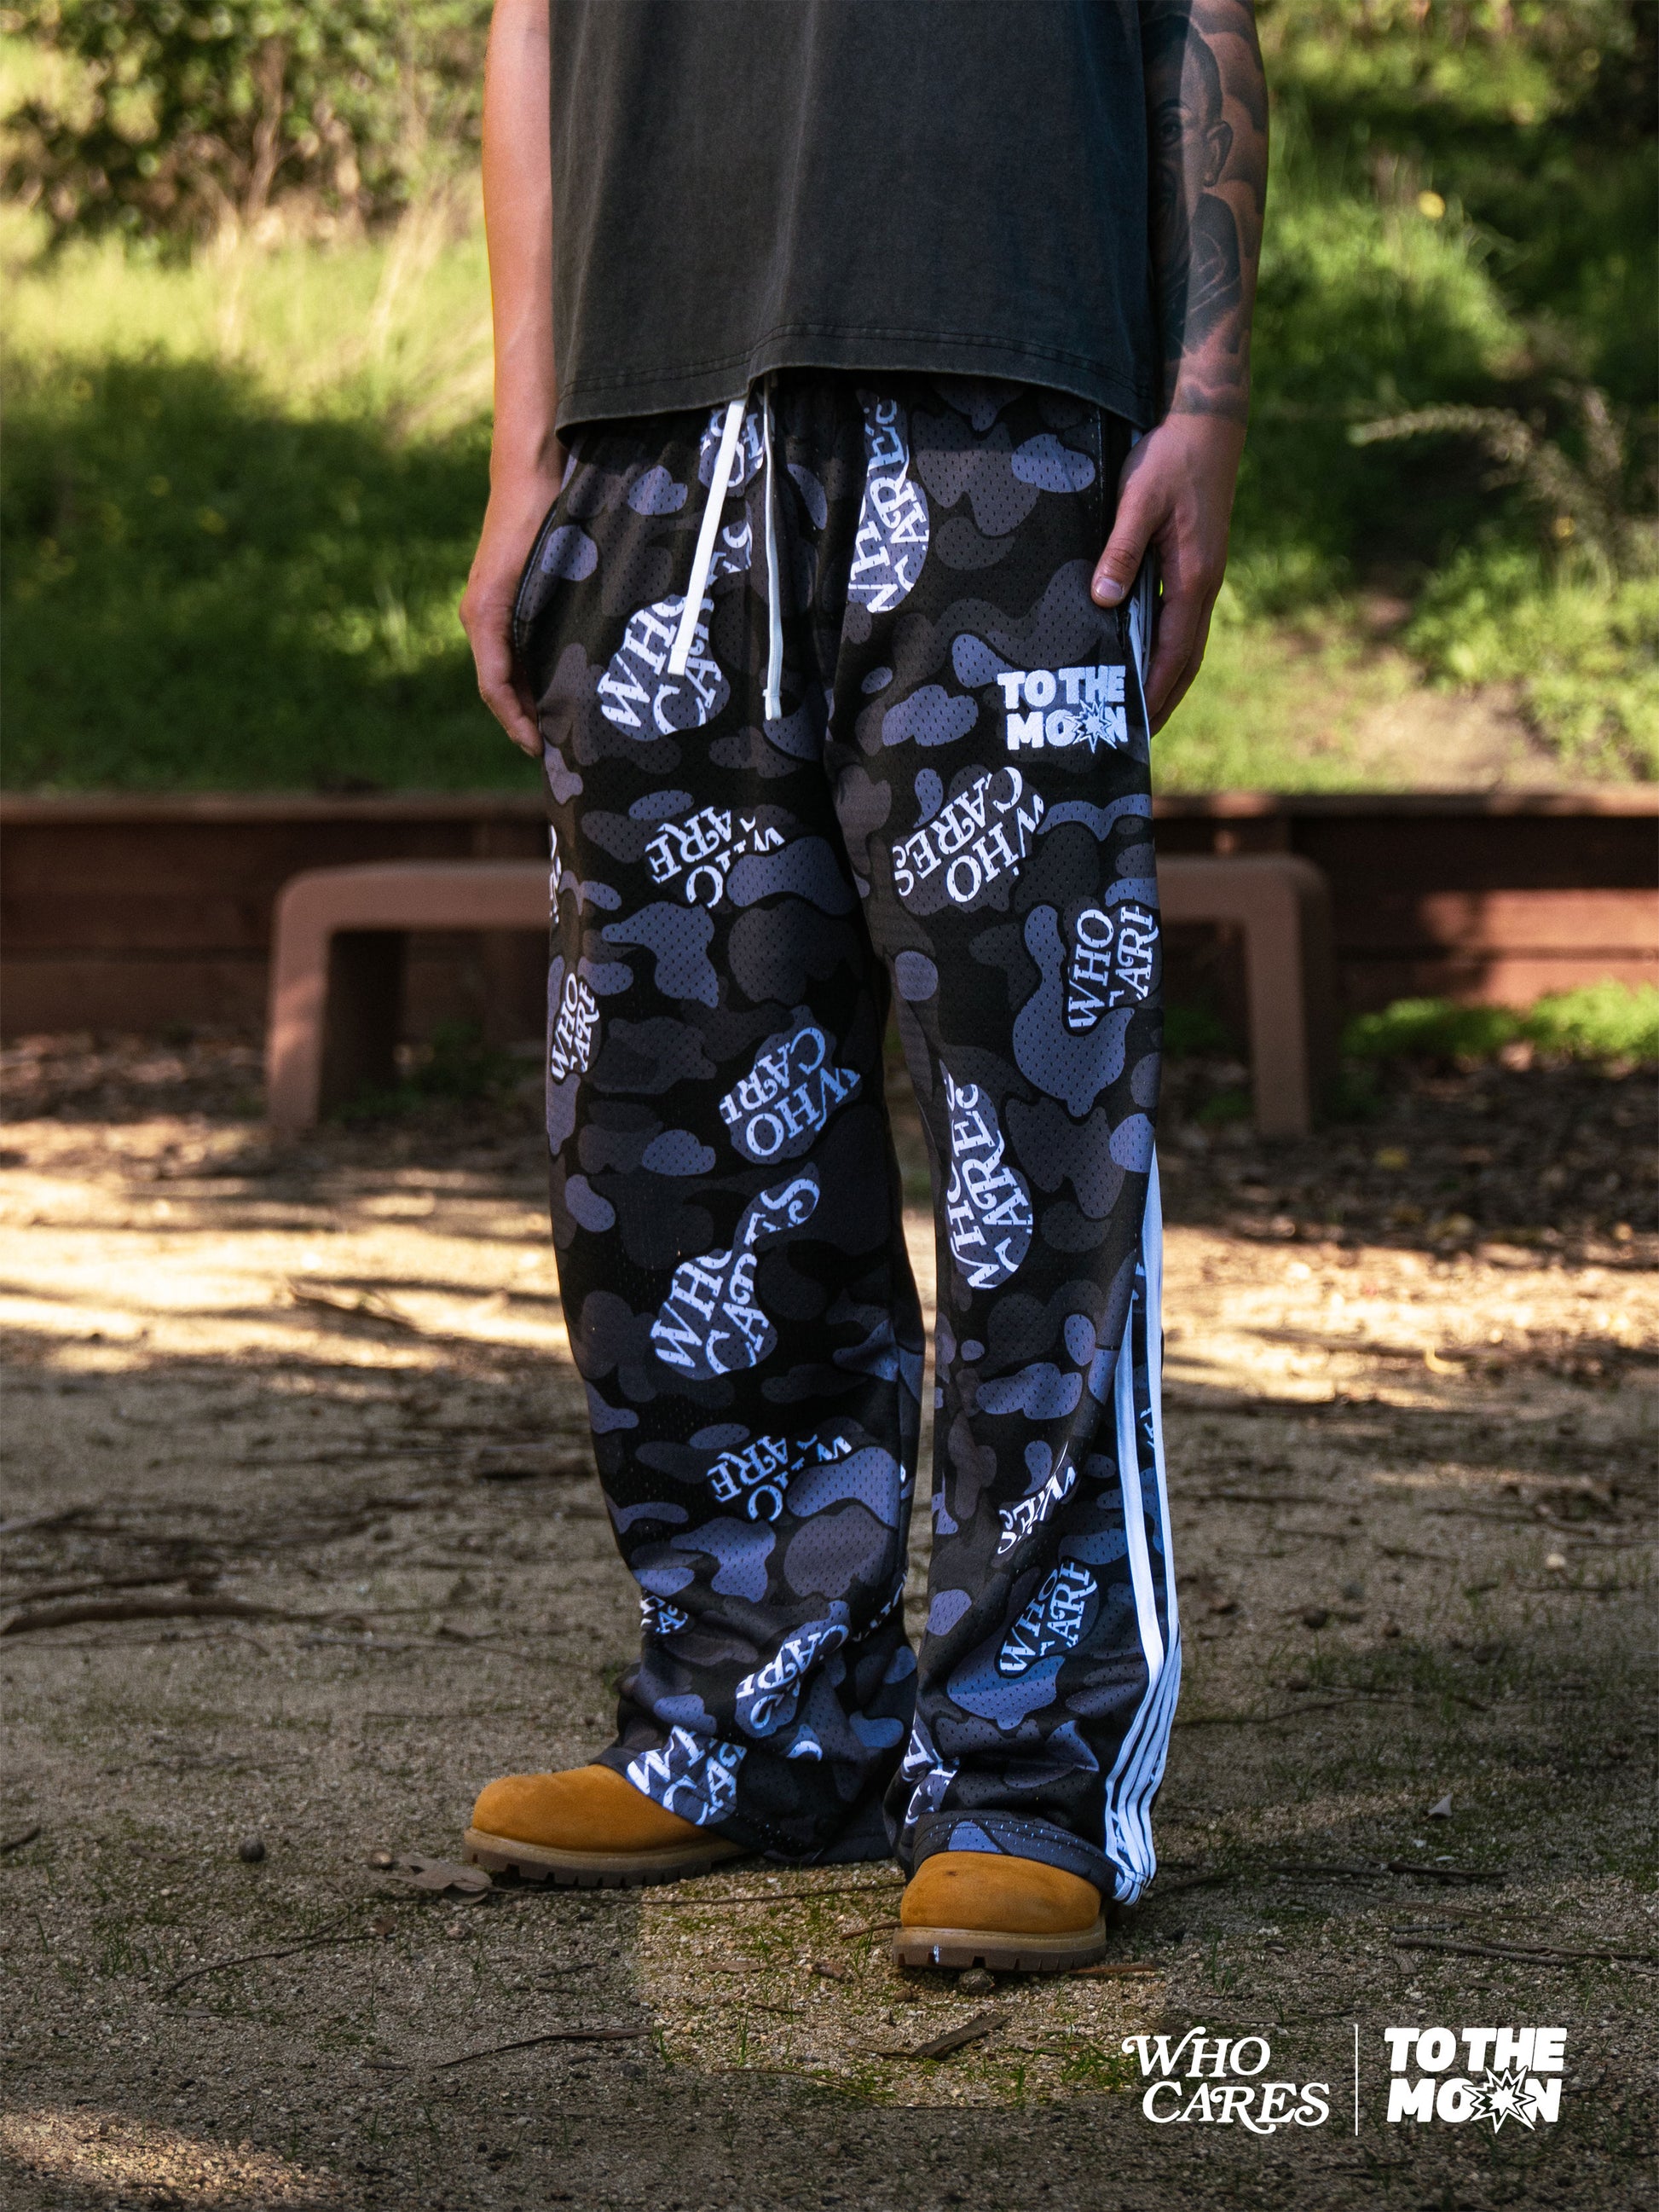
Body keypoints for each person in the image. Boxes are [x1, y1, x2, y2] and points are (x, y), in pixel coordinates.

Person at [459, 0, 1266, 1972]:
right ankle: (752, 1714)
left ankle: (1026, 1776)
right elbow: (532, 22)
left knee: (1034, 1131)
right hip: (656, 438)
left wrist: (1208, 400)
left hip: (1006, 405)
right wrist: (524, 446)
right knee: (672, 1124)